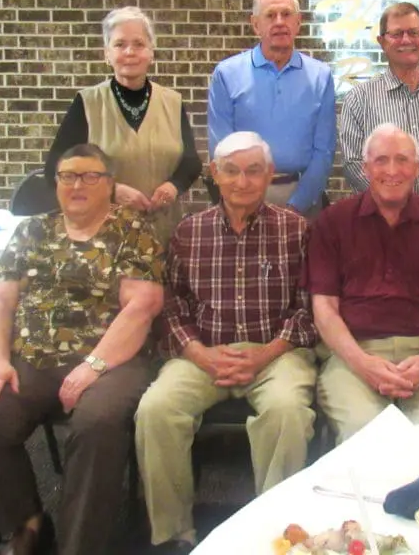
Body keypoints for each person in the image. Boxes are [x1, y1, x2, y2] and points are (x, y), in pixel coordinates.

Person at [0, 144, 164, 555]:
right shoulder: (33, 230)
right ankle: (27, 523)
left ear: (109, 184)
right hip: (33, 360)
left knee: (97, 425)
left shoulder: (133, 230)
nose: (77, 185)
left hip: (111, 362)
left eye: (90, 176)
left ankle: (79, 545)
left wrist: (92, 366)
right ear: (56, 184)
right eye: (68, 176)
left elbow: (144, 305)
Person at [134, 131, 318, 554]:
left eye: (254, 171)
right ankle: (173, 535)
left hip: (276, 353)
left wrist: (266, 354)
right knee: (156, 409)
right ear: (215, 174)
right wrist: (198, 353)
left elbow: (308, 308)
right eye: (231, 170)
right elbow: (171, 306)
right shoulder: (188, 232)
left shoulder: (296, 230)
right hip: (203, 353)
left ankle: (275, 533)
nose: (242, 181)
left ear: (270, 175)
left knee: (288, 411)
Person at [307, 123, 419, 441]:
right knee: (365, 438)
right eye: (381, 160)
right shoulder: (332, 222)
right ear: (365, 168)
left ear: (417, 169)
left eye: (402, 160)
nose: (392, 170)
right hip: (353, 353)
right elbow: (324, 307)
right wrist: (363, 363)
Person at [45, 6, 202, 244]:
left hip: (164, 235)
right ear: (106, 54)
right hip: (104, 237)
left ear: (151, 52)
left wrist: (173, 186)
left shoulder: (172, 101)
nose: (130, 52)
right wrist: (110, 190)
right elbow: (54, 169)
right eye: (119, 44)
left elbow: (190, 161)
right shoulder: (87, 103)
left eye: (139, 44)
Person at [207, 0, 336, 216]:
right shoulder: (227, 74)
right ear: (255, 24)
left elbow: (324, 152)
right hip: (242, 197)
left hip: (303, 199)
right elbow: (221, 150)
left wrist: (296, 205)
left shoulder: (320, 76)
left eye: (286, 14)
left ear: (298, 23)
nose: (279, 22)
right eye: (270, 15)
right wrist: (247, 202)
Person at [338, 2, 419, 211]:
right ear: (382, 42)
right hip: (381, 220)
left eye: (414, 32)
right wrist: (391, 199)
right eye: (397, 34)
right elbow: (353, 162)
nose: (406, 40)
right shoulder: (358, 99)